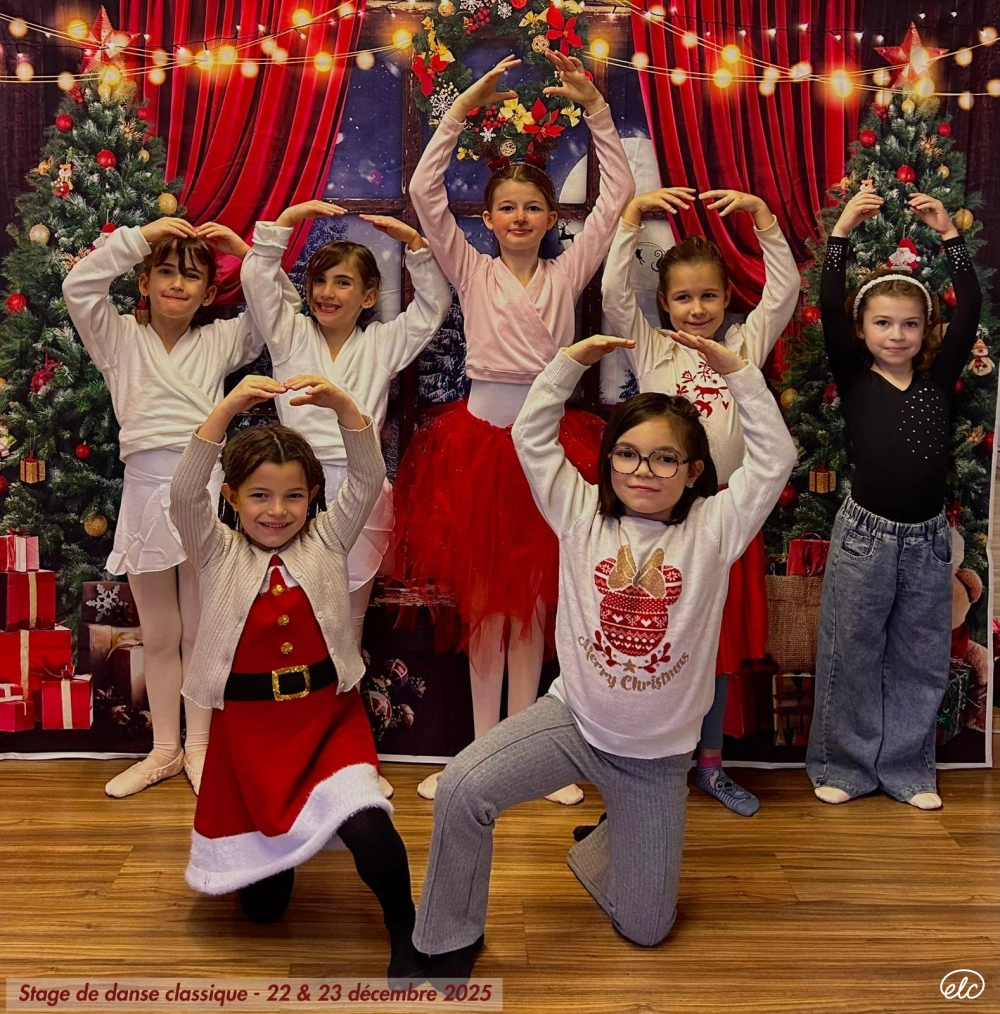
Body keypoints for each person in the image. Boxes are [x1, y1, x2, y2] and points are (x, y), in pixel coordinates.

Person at [410, 333, 795, 983]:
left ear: (694, 470)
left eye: (665, 459)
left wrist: (735, 370)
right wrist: (569, 363)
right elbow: (531, 436)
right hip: (574, 725)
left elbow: (776, 455)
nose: (645, 470)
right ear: (608, 460)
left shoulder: (716, 526)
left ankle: (606, 846)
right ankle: (445, 938)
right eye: (629, 455)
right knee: (460, 788)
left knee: (646, 930)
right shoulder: (580, 510)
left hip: (655, 761)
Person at [394, 52, 635, 803]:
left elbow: (618, 192)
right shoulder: (469, 267)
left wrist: (595, 107)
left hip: (546, 448)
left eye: (534, 206)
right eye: (508, 207)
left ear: (549, 217)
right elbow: (421, 193)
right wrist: (462, 108)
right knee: (483, 609)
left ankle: (528, 757)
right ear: (490, 218)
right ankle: (475, 757)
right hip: (474, 447)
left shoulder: (569, 273)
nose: (522, 217)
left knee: (532, 606)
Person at [171, 374, 421, 986]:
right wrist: (227, 406)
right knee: (263, 911)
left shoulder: (327, 540)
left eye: (292, 497)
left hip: (326, 721)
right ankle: (277, 855)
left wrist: (344, 407)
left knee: (371, 828)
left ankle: (407, 930)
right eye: (259, 496)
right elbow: (182, 493)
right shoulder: (216, 549)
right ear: (231, 497)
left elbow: (366, 477)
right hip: (251, 736)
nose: (276, 512)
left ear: (312, 496)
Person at [63, 217, 298, 797]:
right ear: (143, 281)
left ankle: (200, 747)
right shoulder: (117, 337)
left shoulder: (219, 341)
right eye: (164, 272)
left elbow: (281, 312)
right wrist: (140, 237)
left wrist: (245, 250)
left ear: (209, 292)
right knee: (160, 631)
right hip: (143, 492)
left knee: (201, 629)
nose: (176, 284)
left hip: (202, 491)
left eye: (191, 276)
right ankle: (163, 749)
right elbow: (79, 287)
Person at [241, 202, 452, 797]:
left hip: (359, 494)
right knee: (289, 620)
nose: (328, 292)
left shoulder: (384, 343)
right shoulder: (290, 332)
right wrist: (286, 217)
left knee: (347, 628)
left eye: (344, 282)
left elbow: (433, 306)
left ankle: (349, 756)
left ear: (367, 297)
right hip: (292, 495)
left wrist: (414, 244)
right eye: (320, 280)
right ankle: (290, 749)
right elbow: (258, 278)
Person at [601, 185, 798, 816]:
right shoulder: (652, 345)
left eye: (708, 295)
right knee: (665, 639)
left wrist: (765, 220)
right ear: (663, 303)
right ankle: (654, 759)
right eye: (683, 297)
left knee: (713, 645)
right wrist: (631, 218)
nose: (696, 309)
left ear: (727, 299)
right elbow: (611, 296)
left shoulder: (744, 344)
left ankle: (710, 764)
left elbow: (785, 290)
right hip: (663, 524)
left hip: (725, 520)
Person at [806, 190, 981, 810]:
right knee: (850, 651)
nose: (897, 334)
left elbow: (971, 310)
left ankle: (908, 770)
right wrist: (844, 230)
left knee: (921, 656)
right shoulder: (855, 377)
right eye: (883, 322)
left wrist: (950, 238)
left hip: (929, 542)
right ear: (862, 330)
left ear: (925, 329)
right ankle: (844, 766)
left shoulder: (937, 378)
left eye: (910, 323)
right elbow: (829, 301)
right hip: (865, 536)